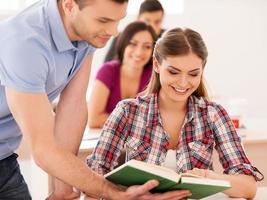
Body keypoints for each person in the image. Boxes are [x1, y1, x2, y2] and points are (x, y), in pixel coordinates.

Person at [0, 0, 191, 199]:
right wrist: (112, 192)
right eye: (103, 20)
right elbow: (44, 151)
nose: (113, 31)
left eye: (118, 20)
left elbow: (72, 107)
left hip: (5, 159)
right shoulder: (25, 43)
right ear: (69, 6)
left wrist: (63, 189)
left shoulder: (84, 32)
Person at [86, 28, 264, 199]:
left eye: (193, 74)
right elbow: (95, 177)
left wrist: (212, 178)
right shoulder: (127, 111)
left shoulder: (213, 114)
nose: (183, 83)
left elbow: (248, 187)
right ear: (156, 65)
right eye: (173, 72)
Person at [88, 21, 156, 128]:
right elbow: (94, 120)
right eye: (133, 44)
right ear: (123, 44)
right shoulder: (107, 71)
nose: (139, 52)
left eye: (147, 47)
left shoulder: (154, 75)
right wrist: (136, 121)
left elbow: (156, 120)